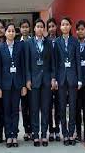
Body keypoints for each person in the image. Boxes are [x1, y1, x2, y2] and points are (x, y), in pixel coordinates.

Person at [25, 19, 56, 147]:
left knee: (45, 108)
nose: (39, 29)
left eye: (41, 27)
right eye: (37, 26)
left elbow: (53, 62)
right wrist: (28, 79)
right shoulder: (28, 43)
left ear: (43, 29)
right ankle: (36, 135)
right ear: (34, 29)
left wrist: (53, 78)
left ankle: (44, 134)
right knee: (34, 109)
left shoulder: (48, 43)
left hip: (47, 80)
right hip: (34, 81)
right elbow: (27, 63)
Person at [0, 23, 27, 148]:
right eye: (8, 31)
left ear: (15, 33)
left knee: (15, 110)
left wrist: (24, 85)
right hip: (5, 85)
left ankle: (14, 135)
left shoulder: (20, 46)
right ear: (5, 33)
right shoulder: (0, 48)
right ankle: (8, 135)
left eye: (12, 31)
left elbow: (23, 66)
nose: (10, 33)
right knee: (6, 111)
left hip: (17, 84)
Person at [54, 17, 82, 146]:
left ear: (70, 27)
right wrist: (54, 78)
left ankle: (71, 133)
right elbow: (55, 62)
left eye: (67, 24)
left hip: (72, 78)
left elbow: (77, 61)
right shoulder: (57, 42)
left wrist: (80, 79)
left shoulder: (75, 42)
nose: (64, 26)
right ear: (60, 28)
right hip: (60, 78)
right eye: (62, 25)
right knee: (61, 107)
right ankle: (64, 134)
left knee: (72, 107)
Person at [46, 18, 61, 142]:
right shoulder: (45, 42)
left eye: (53, 26)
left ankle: (58, 131)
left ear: (56, 27)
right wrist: (52, 78)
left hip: (61, 78)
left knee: (59, 105)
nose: (51, 28)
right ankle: (51, 130)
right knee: (49, 105)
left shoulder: (61, 41)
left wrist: (57, 78)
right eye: (49, 26)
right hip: (49, 79)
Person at [19, 19, 32, 141]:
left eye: (26, 27)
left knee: (33, 107)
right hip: (22, 81)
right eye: (22, 27)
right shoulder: (18, 44)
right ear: (20, 29)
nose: (24, 29)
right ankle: (27, 131)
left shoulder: (33, 42)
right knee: (24, 107)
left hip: (33, 81)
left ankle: (33, 130)